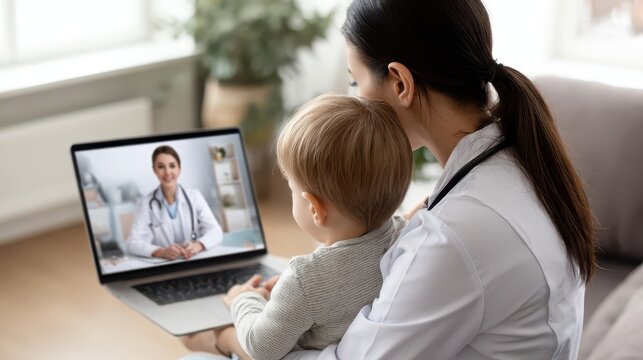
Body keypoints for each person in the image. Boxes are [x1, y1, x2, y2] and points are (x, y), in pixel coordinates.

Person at [182, 0, 597, 358]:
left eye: (355, 81)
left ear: (400, 82)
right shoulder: (512, 156)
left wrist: (221, 339)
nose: (355, 98)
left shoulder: (457, 235)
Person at [183, 94, 412, 359]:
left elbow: (261, 348)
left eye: (291, 187)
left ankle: (213, 341)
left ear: (314, 209)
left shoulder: (306, 278)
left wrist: (243, 300)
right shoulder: (401, 233)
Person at [127, 145, 223, 260]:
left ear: (179, 168)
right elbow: (132, 242)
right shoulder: (146, 203)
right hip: (166, 266)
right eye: (161, 167)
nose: (168, 172)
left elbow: (216, 231)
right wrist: (161, 251)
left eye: (172, 166)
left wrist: (198, 245)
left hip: (195, 260)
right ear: (154, 170)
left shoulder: (194, 196)